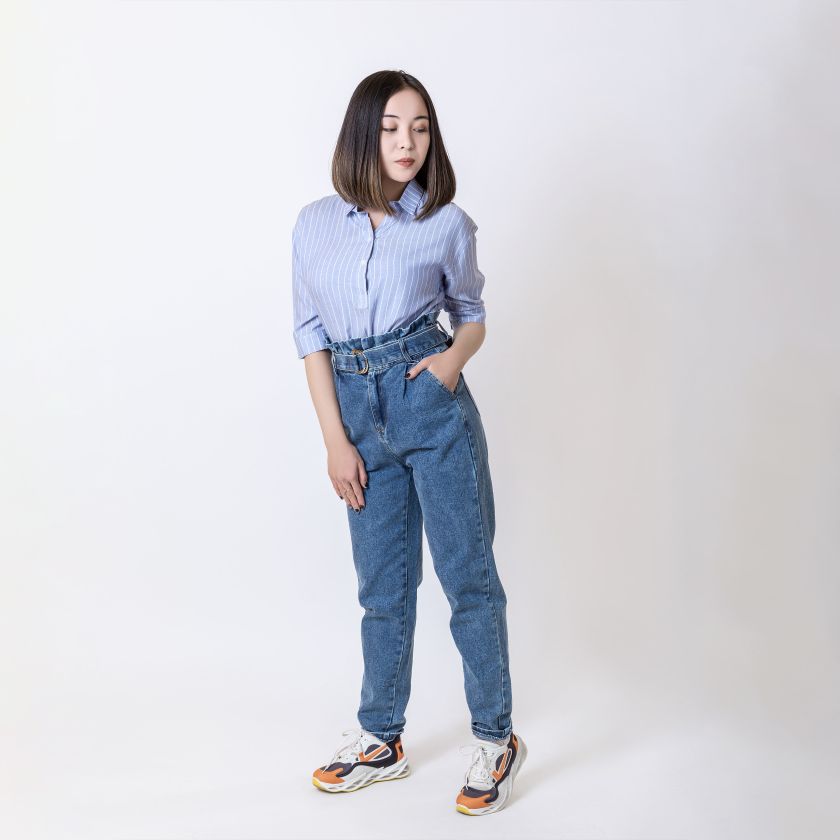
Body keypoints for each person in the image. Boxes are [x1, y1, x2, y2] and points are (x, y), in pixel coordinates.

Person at [292, 69, 526, 816]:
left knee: (468, 578)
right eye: (393, 126)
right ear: (364, 133)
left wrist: (449, 366)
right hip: (356, 415)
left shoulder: (445, 223)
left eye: (421, 128)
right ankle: (380, 738)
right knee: (382, 589)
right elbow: (310, 336)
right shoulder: (313, 225)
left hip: (428, 403)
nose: (408, 142)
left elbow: (471, 316)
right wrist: (336, 440)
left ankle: (495, 737)